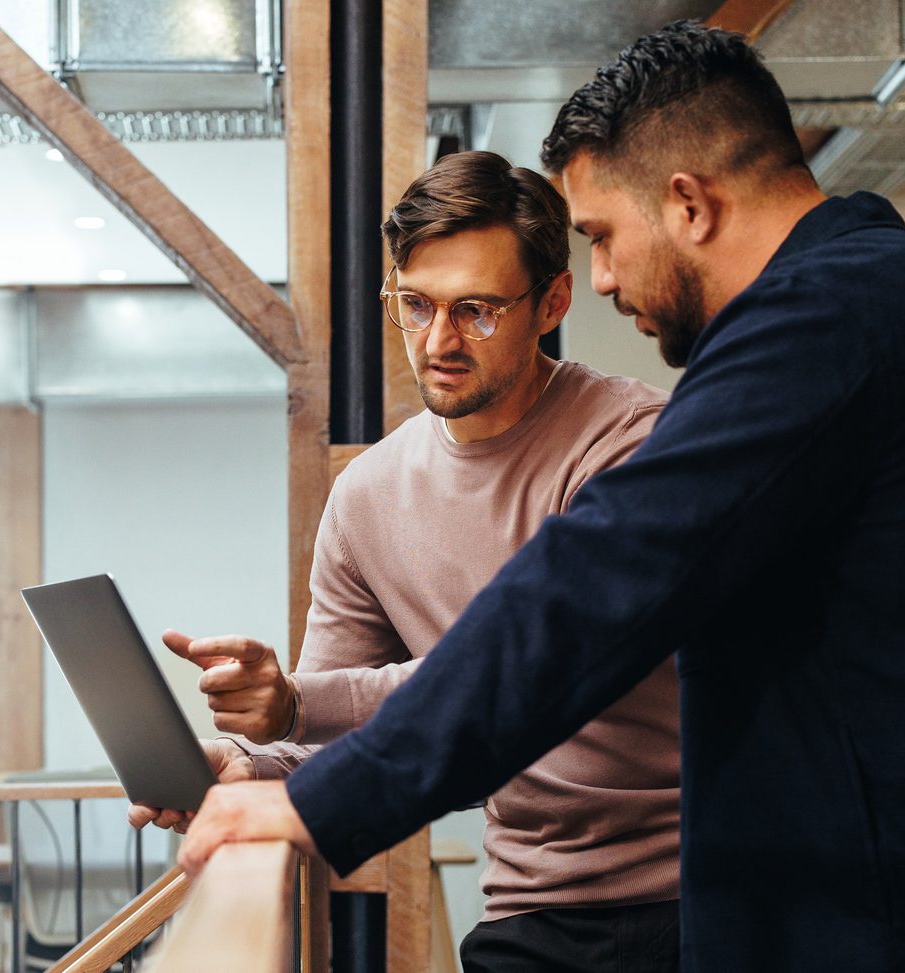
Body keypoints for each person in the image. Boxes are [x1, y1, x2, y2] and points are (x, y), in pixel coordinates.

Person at [177, 20, 905, 972]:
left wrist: (321, 804)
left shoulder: (814, 328)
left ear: (689, 204)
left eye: (604, 234)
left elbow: (595, 590)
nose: (602, 278)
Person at [131, 149, 682, 971]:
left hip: (692, 893)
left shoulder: (629, 447)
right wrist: (254, 764)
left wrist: (296, 705)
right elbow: (334, 729)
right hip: (532, 902)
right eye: (415, 304)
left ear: (552, 302)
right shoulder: (368, 495)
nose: (438, 340)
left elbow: (523, 679)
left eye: (476, 311)